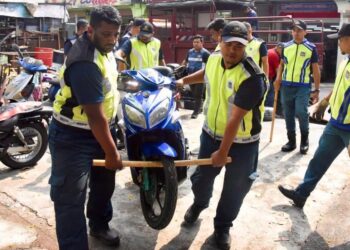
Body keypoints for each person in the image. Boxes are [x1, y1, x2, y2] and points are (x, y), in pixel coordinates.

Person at [177, 21, 266, 250]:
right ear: (220, 41)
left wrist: (223, 152)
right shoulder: (215, 58)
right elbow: (207, 73)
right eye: (229, 44)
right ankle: (199, 203)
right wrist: (183, 81)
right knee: (201, 179)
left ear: (246, 45)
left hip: (243, 143)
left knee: (235, 188)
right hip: (211, 133)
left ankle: (223, 226)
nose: (233, 50)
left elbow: (234, 120)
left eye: (239, 45)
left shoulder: (252, 77)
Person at [49, 6, 123, 249]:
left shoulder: (105, 48)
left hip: (102, 130)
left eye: (115, 34)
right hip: (73, 135)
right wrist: (112, 153)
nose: (112, 40)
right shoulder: (84, 62)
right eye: (106, 34)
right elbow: (94, 117)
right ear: (90, 30)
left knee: (104, 185)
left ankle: (99, 225)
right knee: (70, 197)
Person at [278, 23, 350, 208]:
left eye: (340, 41)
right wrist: (325, 102)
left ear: (347, 40)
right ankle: (301, 194)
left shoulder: (311, 50)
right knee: (319, 159)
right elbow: (340, 88)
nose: (339, 45)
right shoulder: (345, 63)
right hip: (336, 124)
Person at [274, 20, 321, 154]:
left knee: (301, 112)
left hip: (303, 86)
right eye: (294, 30)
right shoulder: (286, 47)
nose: (296, 33)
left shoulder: (311, 48)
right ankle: (291, 141)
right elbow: (281, 65)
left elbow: (316, 69)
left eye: (299, 30)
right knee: (288, 114)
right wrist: (278, 79)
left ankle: (304, 141)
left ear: (305, 32)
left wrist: (317, 89)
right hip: (286, 85)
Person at [181, 35, 210, 119]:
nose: (195, 44)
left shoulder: (205, 53)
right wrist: (181, 67)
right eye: (194, 42)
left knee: (198, 95)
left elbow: (210, 65)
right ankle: (200, 108)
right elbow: (185, 61)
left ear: (202, 43)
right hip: (190, 77)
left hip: (200, 78)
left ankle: (196, 112)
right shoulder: (190, 52)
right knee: (194, 94)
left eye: (197, 42)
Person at [265, 42, 284, 115]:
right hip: (268, 77)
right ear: (279, 48)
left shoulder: (270, 51)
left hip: (266, 76)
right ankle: (269, 113)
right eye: (282, 51)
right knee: (270, 95)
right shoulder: (274, 55)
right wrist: (280, 81)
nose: (282, 53)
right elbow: (277, 70)